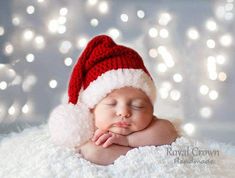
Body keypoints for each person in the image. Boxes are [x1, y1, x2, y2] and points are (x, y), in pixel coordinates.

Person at [48, 35, 179, 165]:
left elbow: (169, 132)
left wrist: (128, 140)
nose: (124, 112)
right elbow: (94, 153)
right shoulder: (89, 129)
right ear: (92, 109)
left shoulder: (150, 126)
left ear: (151, 109)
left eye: (138, 106)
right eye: (111, 104)